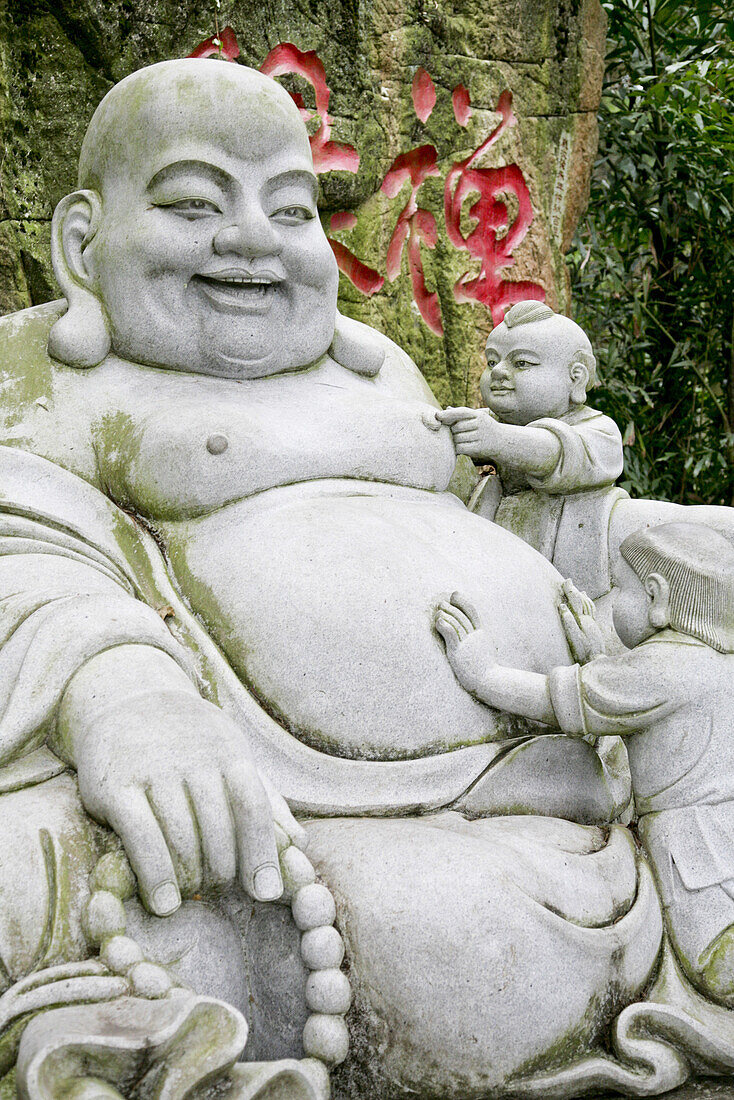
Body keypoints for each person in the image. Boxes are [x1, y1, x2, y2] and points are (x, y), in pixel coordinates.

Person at [0, 58, 664, 1096]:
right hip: (289, 804)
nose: (252, 239)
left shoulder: (382, 372)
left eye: (291, 208)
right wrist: (122, 690)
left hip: (583, 753)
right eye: (191, 203)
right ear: (83, 242)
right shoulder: (40, 374)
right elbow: (17, 529)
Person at [436, 521, 734, 1006]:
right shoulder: (716, 666)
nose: (612, 598)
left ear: (657, 600)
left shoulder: (664, 671)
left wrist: (483, 673)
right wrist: (600, 655)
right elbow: (634, 698)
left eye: (620, 587)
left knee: (713, 965)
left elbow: (559, 700)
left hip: (699, 878)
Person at [437, 301, 626, 598]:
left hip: (575, 569)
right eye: (492, 361)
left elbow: (559, 452)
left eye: (521, 362)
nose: (498, 372)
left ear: (575, 377)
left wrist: (498, 439)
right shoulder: (494, 424)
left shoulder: (599, 431)